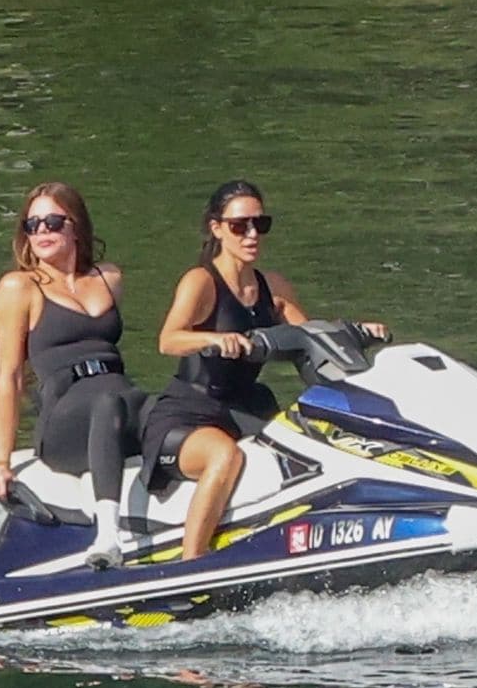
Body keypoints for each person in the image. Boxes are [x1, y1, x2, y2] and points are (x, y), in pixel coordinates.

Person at [140, 180, 387, 560]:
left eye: (261, 224)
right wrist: (213, 340)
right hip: (187, 415)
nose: (252, 234)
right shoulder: (201, 281)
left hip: (245, 409)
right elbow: (168, 339)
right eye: (240, 226)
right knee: (225, 456)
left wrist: (357, 332)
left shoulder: (274, 286)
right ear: (217, 228)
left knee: (312, 446)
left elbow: (310, 338)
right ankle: (190, 565)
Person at [0, 182, 145, 569]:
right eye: (32, 224)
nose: (41, 232)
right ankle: (108, 536)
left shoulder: (109, 278)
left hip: (121, 395)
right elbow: (10, 378)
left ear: (76, 226)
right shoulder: (18, 288)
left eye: (53, 222)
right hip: (66, 420)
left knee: (172, 405)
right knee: (106, 404)